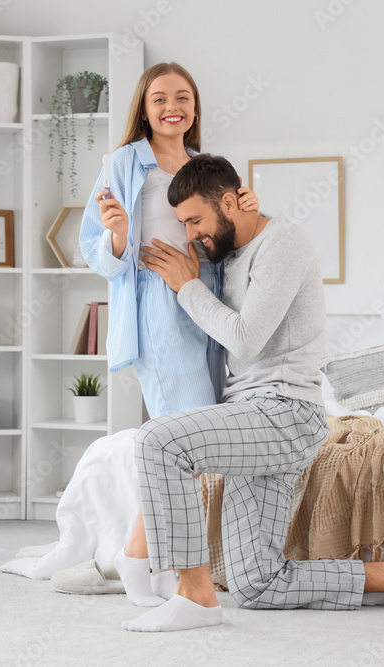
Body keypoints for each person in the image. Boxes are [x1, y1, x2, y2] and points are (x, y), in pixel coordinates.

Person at [123, 154, 384, 632]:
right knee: (257, 584)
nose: (191, 235)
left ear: (230, 202)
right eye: (184, 224)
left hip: (284, 414)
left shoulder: (282, 244)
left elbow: (245, 337)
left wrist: (186, 286)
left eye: (195, 221)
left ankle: (195, 595)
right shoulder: (229, 251)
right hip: (252, 418)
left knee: (155, 440)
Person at [79, 63, 259, 607]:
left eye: (182, 97)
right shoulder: (122, 162)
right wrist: (119, 235)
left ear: (195, 108)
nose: (171, 107)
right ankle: (140, 558)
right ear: (144, 107)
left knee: (196, 440)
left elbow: (229, 240)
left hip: (208, 300)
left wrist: (246, 215)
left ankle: (148, 559)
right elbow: (94, 245)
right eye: (159, 99)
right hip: (158, 303)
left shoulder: (208, 168)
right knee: (186, 435)